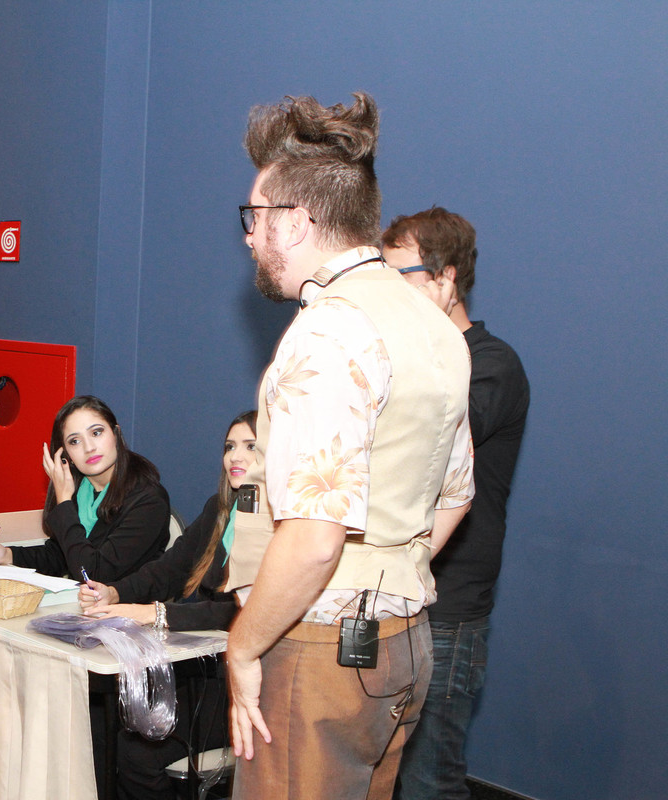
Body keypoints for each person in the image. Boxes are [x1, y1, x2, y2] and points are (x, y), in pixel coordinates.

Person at [223, 92, 475, 800]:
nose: (249, 237)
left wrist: (244, 646)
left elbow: (313, 539)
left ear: (298, 222)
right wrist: (387, 577)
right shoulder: (434, 327)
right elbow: (457, 494)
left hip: (316, 653)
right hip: (402, 644)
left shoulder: (330, 330)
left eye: (255, 217)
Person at [382, 208, 530, 800]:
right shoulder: (406, 362)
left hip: (447, 608)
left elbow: (429, 450)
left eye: (402, 277)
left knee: (427, 781)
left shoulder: (491, 365)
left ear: (444, 279)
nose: (388, 295)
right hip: (389, 596)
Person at [77, 410, 253, 799]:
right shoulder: (220, 510)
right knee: (115, 728)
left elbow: (239, 613)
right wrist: (116, 593)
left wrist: (156, 613)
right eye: (229, 447)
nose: (235, 457)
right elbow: (169, 569)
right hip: (201, 671)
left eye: (250, 446)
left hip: (244, 685)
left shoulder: (282, 522)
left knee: (138, 752)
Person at [0, 395, 170, 584]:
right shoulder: (81, 490)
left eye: (96, 432)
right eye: (75, 441)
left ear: (116, 434)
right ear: (66, 455)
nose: (89, 447)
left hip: (130, 612)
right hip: (85, 608)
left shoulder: (149, 499)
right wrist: (7, 555)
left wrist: (64, 502)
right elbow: (61, 556)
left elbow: (93, 574)